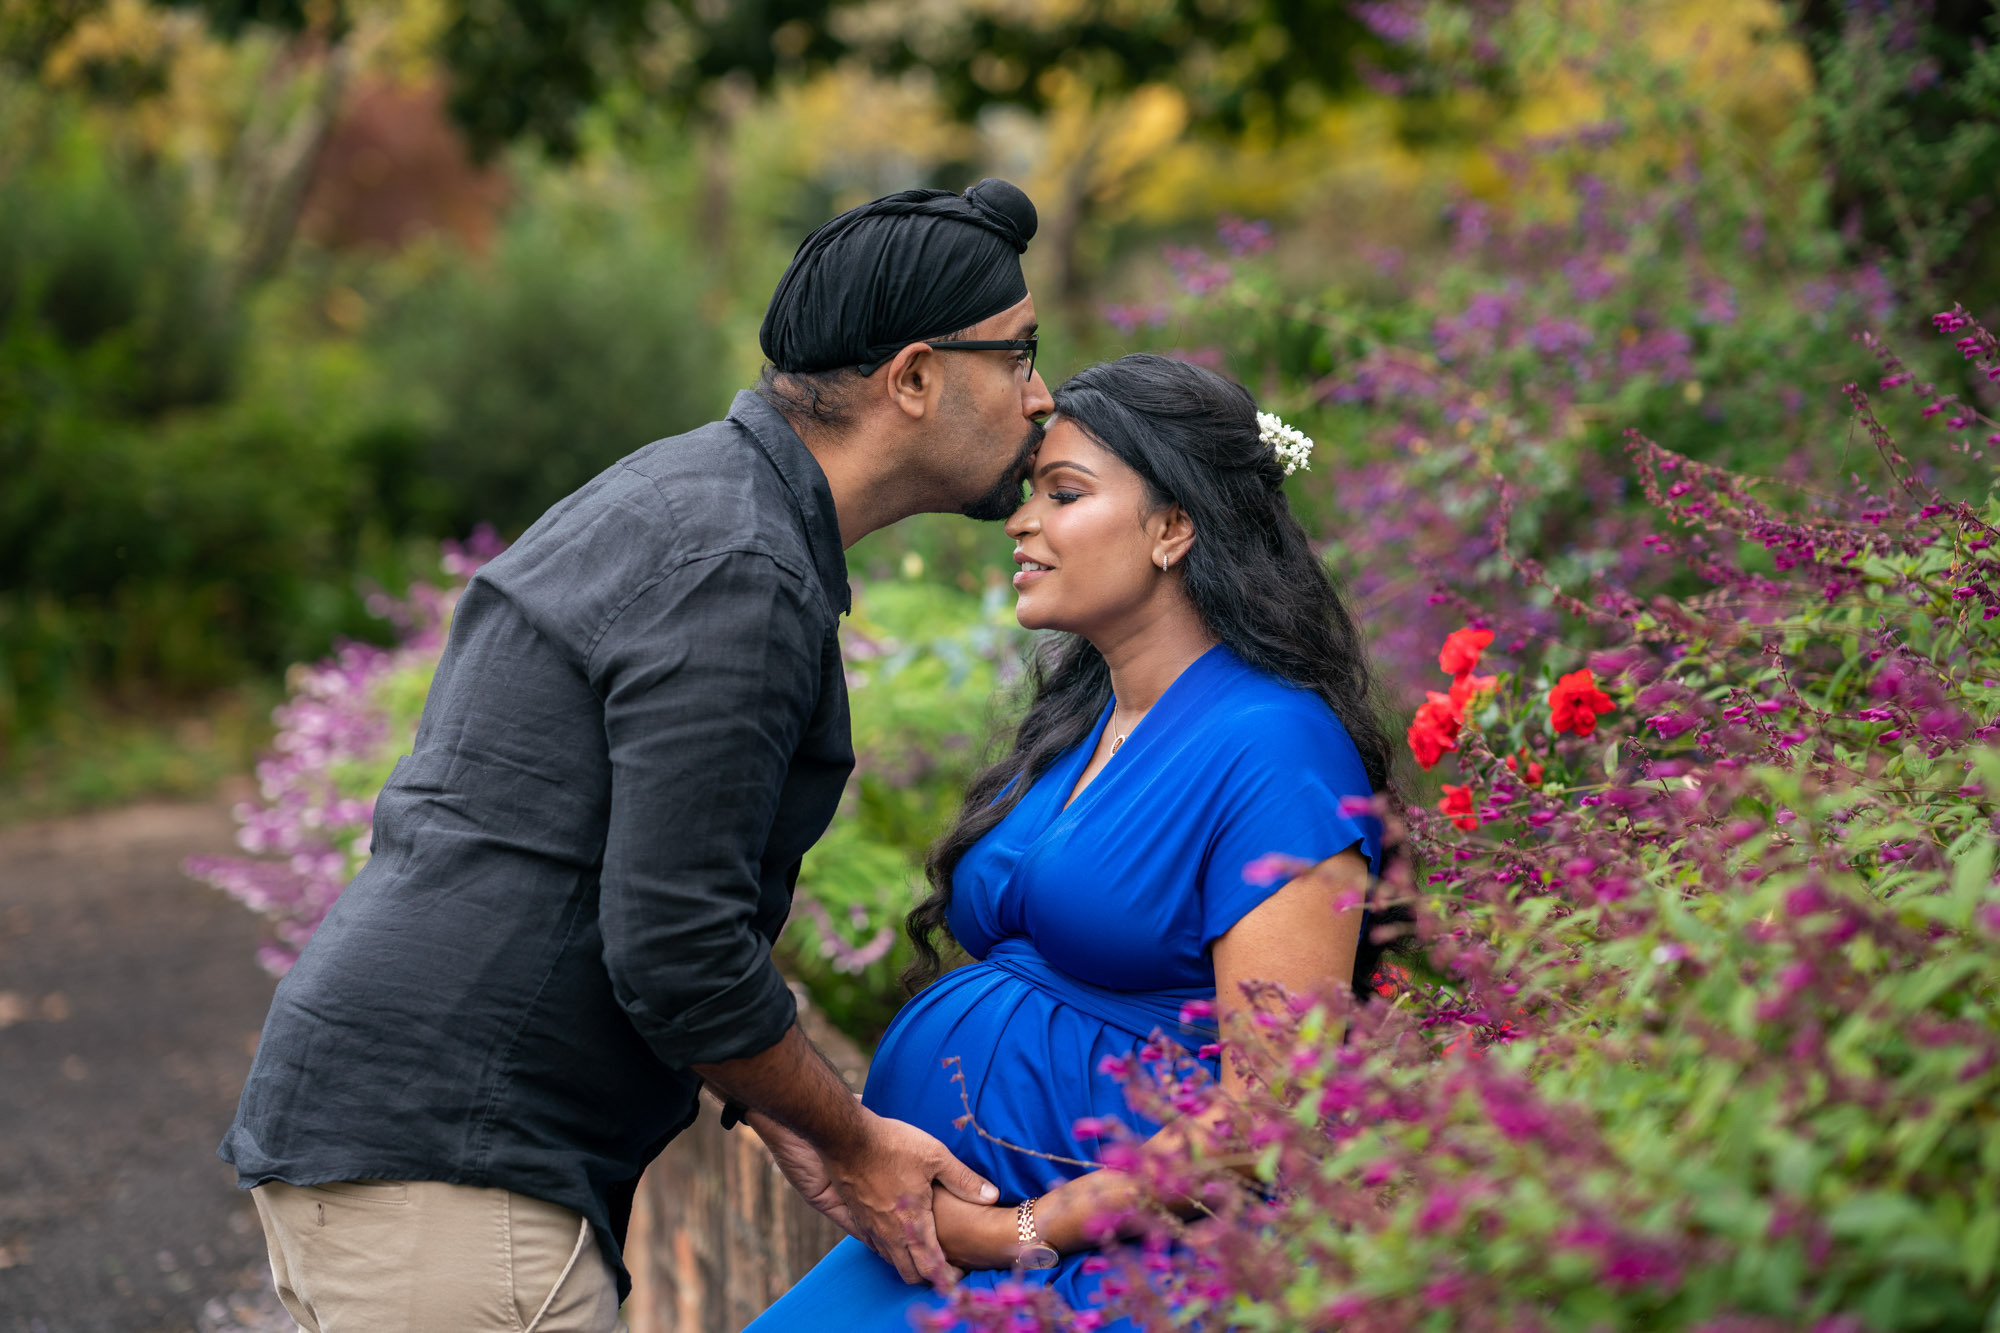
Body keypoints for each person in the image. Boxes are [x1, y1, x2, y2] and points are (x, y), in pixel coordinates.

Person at [219, 179, 1055, 1333]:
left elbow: (578, 840)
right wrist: (851, 1138)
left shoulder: (694, 496)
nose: (1041, 395)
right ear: (912, 378)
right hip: (451, 1173)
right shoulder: (740, 565)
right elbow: (675, 939)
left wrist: (778, 1110)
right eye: (1017, 355)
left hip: (407, 1148)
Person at [744, 353, 1397, 1332]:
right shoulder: (1080, 724)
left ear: (1173, 525)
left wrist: (1026, 1228)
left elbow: (1268, 1109)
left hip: (1117, 1270)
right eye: (1026, 492)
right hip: (955, 1253)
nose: (1020, 521)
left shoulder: (1275, 747)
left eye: (1061, 492)